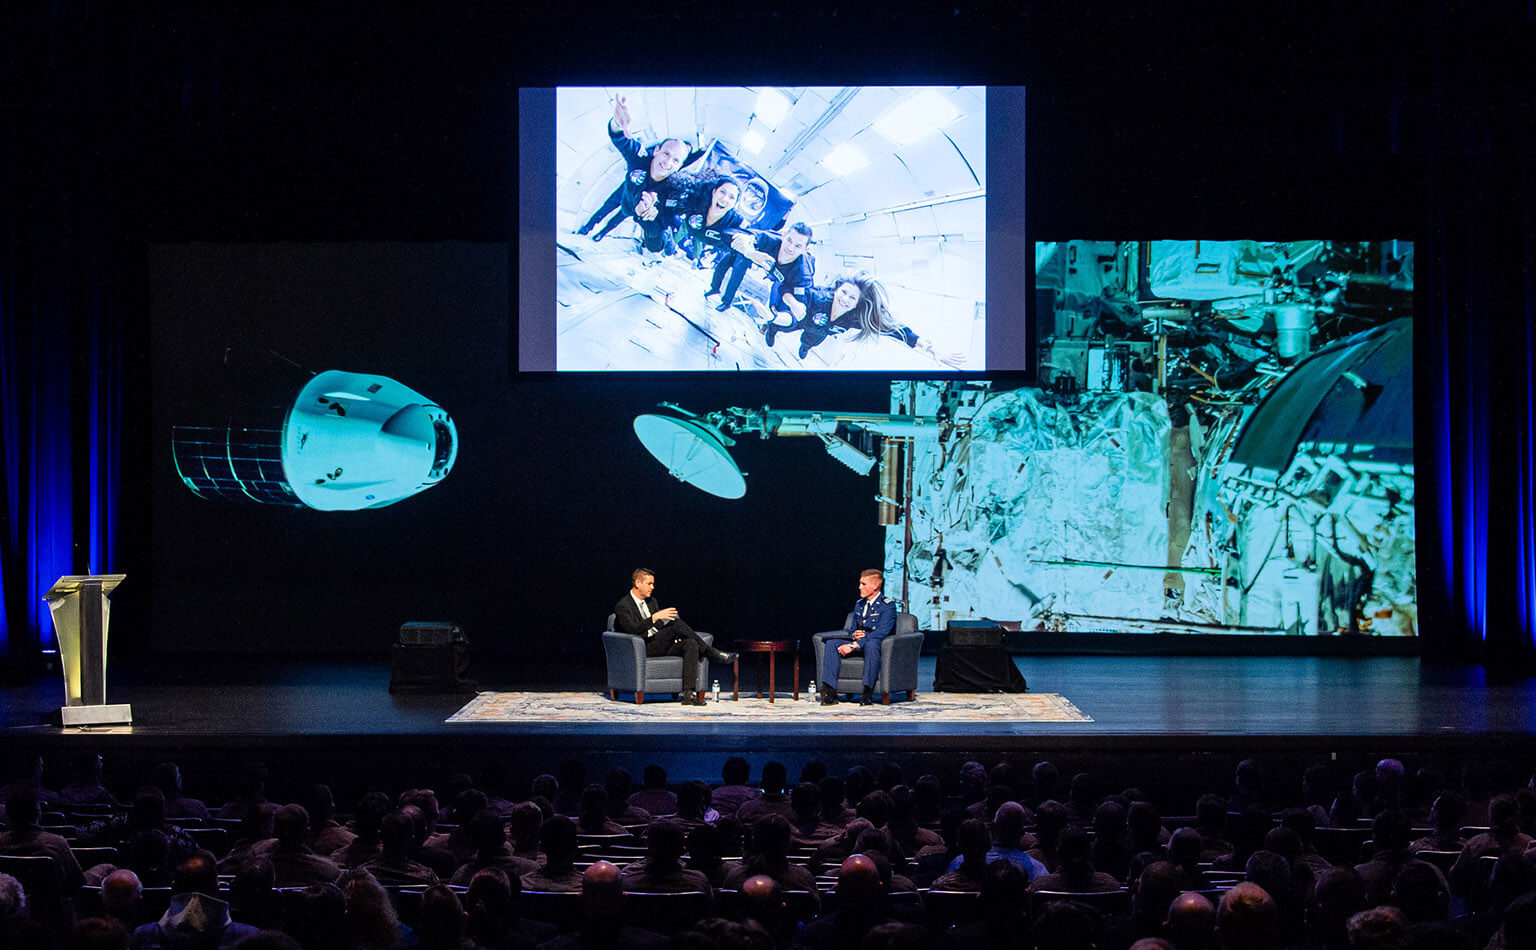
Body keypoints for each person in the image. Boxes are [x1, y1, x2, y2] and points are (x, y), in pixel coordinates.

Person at [756, 273, 963, 366]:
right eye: (844, 292)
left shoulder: (854, 319)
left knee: (810, 342)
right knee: (785, 325)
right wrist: (788, 303)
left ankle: (805, 347)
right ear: (837, 289)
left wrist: (930, 348)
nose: (845, 299)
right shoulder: (817, 297)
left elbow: (898, 331)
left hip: (818, 332)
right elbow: (787, 288)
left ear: (857, 304)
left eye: (852, 298)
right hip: (803, 318)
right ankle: (772, 328)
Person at [583, 95, 697, 253]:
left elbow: (666, 221)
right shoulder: (640, 158)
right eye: (666, 154)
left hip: (634, 209)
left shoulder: (673, 190)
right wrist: (617, 124)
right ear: (656, 150)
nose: (668, 162)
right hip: (625, 194)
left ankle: (601, 234)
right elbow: (621, 140)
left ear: (679, 167)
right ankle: (587, 227)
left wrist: (654, 214)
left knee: (619, 218)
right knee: (606, 208)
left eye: (676, 160)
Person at [612, 567, 736, 706]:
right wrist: (654, 618)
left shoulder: (651, 601)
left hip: (657, 643)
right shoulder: (623, 606)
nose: (652, 587)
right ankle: (711, 652)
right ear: (638, 583)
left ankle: (688, 694)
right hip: (640, 648)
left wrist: (671, 636)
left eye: (653, 584)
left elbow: (659, 626)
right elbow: (632, 630)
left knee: (690, 643)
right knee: (676, 623)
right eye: (649, 584)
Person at [818, 569, 897, 706]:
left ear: (875, 585)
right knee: (831, 643)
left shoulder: (887, 606)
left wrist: (854, 645)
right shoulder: (859, 604)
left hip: (875, 643)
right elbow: (853, 628)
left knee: (872, 644)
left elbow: (882, 632)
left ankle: (867, 693)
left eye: (863, 584)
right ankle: (831, 692)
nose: (859, 587)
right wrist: (854, 634)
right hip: (859, 641)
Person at [709, 223, 814, 316]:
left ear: (805, 250)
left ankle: (770, 327)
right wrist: (749, 251)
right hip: (756, 257)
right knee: (733, 258)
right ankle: (719, 293)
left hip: (785, 280)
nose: (790, 248)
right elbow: (728, 233)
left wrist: (792, 303)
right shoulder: (770, 240)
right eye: (789, 240)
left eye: (798, 246)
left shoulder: (802, 274)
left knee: (785, 300)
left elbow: (801, 308)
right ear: (784, 236)